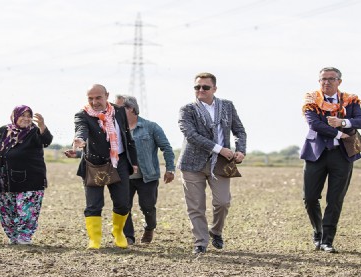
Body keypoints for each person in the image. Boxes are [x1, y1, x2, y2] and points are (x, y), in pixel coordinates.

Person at [177, 72, 247, 255]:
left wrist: (241, 150)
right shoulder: (187, 110)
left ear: (214, 89)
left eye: (205, 87)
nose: (201, 90)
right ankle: (200, 242)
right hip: (192, 163)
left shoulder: (227, 106)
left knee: (223, 202)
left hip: (221, 163)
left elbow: (239, 130)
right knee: (196, 206)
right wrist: (219, 148)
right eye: (197, 87)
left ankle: (215, 231)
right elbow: (191, 136)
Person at [300, 67, 361, 253]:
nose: (326, 82)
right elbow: (314, 124)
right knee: (309, 197)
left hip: (342, 155)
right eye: (323, 79)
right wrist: (338, 133)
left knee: (335, 199)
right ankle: (318, 230)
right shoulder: (312, 100)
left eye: (331, 79)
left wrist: (343, 123)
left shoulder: (350, 100)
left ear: (339, 81)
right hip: (316, 153)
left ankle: (327, 240)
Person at [73, 84, 138, 249]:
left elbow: (127, 137)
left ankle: (118, 233)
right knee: (94, 204)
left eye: (98, 98)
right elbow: (81, 130)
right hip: (94, 164)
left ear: (106, 95)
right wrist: (80, 140)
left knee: (123, 203)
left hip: (119, 162)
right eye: (90, 98)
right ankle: (95, 239)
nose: (94, 102)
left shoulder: (119, 111)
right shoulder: (83, 115)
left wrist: (134, 162)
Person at [0, 105, 53, 245]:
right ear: (15, 116)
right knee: (7, 211)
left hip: (30, 180)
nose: (26, 118)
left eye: (29, 115)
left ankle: (24, 236)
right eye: (22, 115)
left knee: (26, 211)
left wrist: (42, 125)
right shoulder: (3, 131)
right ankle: (13, 236)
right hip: (3, 179)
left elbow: (46, 140)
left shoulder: (34, 131)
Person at [120, 95, 176, 245]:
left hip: (148, 177)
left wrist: (170, 169)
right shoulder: (116, 129)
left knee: (147, 207)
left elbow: (166, 148)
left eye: (119, 108)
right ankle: (129, 237)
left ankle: (149, 228)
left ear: (130, 108)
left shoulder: (151, 127)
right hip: (124, 176)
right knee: (124, 207)